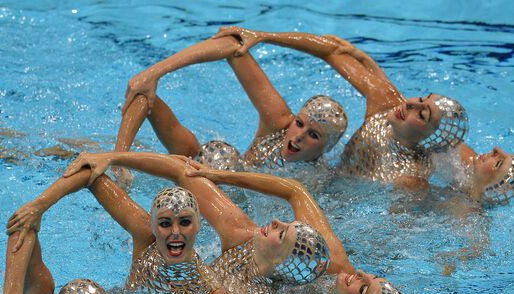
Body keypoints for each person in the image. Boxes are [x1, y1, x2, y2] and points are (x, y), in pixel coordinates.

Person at [64, 151, 404, 294]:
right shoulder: (325, 259)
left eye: (362, 290)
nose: (275, 222)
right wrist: (111, 157)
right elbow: (185, 174)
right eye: (367, 278)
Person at [212, 27, 470, 189]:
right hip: (321, 179)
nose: (411, 103)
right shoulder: (387, 106)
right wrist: (263, 36)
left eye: (422, 114)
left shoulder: (413, 178)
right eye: (421, 98)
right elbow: (332, 51)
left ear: (428, 136)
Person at [0, 168, 231, 294]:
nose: (175, 232)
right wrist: (40, 205)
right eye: (165, 223)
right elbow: (90, 174)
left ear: (200, 224)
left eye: (185, 222)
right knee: (77, 292)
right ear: (152, 224)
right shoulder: (145, 236)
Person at [112, 35, 348, 188]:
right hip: (209, 178)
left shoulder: (320, 182)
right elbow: (234, 47)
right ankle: (116, 162)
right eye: (300, 123)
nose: (298, 136)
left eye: (313, 135)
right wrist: (154, 73)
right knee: (217, 156)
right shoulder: (278, 123)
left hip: (228, 209)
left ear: (326, 148)